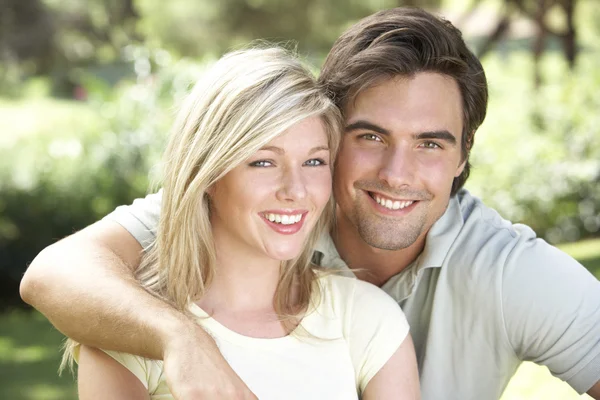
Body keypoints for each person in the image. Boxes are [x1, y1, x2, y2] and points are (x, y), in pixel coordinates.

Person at [21, 7, 600, 400]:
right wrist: (183, 341)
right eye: (370, 136)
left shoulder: (505, 274)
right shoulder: (239, 204)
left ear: (462, 155)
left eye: (430, 144)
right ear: (330, 133)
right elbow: (54, 274)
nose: (398, 174)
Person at [67, 47, 420, 399]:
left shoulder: (366, 318)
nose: (296, 191)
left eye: (314, 162)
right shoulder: (130, 329)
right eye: (263, 163)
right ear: (208, 173)